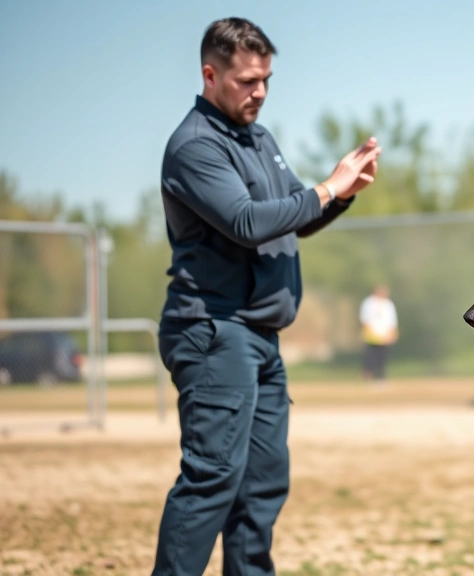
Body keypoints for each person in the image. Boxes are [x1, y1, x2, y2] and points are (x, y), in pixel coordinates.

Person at [152, 17, 381, 576]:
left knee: (261, 484)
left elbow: (293, 218)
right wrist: (325, 187)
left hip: (260, 336)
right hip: (213, 330)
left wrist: (340, 195)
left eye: (267, 80)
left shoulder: (258, 137)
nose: (260, 93)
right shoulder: (193, 146)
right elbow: (248, 221)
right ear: (210, 74)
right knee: (212, 477)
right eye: (247, 81)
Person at [359, 284, 398, 382]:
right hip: (372, 334)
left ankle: (380, 376)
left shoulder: (388, 304)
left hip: (385, 335)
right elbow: (364, 319)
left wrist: (393, 333)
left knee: (382, 357)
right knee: (371, 355)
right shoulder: (368, 303)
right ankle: (368, 372)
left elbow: (392, 321)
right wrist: (367, 331)